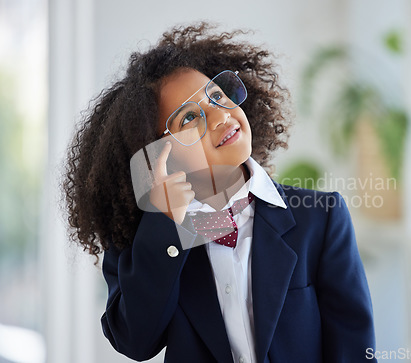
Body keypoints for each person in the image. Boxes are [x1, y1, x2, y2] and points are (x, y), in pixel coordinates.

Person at [62, 22, 377, 363]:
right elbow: (135, 342)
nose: (219, 116)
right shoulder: (146, 241)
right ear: (157, 155)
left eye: (216, 96)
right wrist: (167, 226)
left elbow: (355, 351)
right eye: (189, 118)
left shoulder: (321, 217)